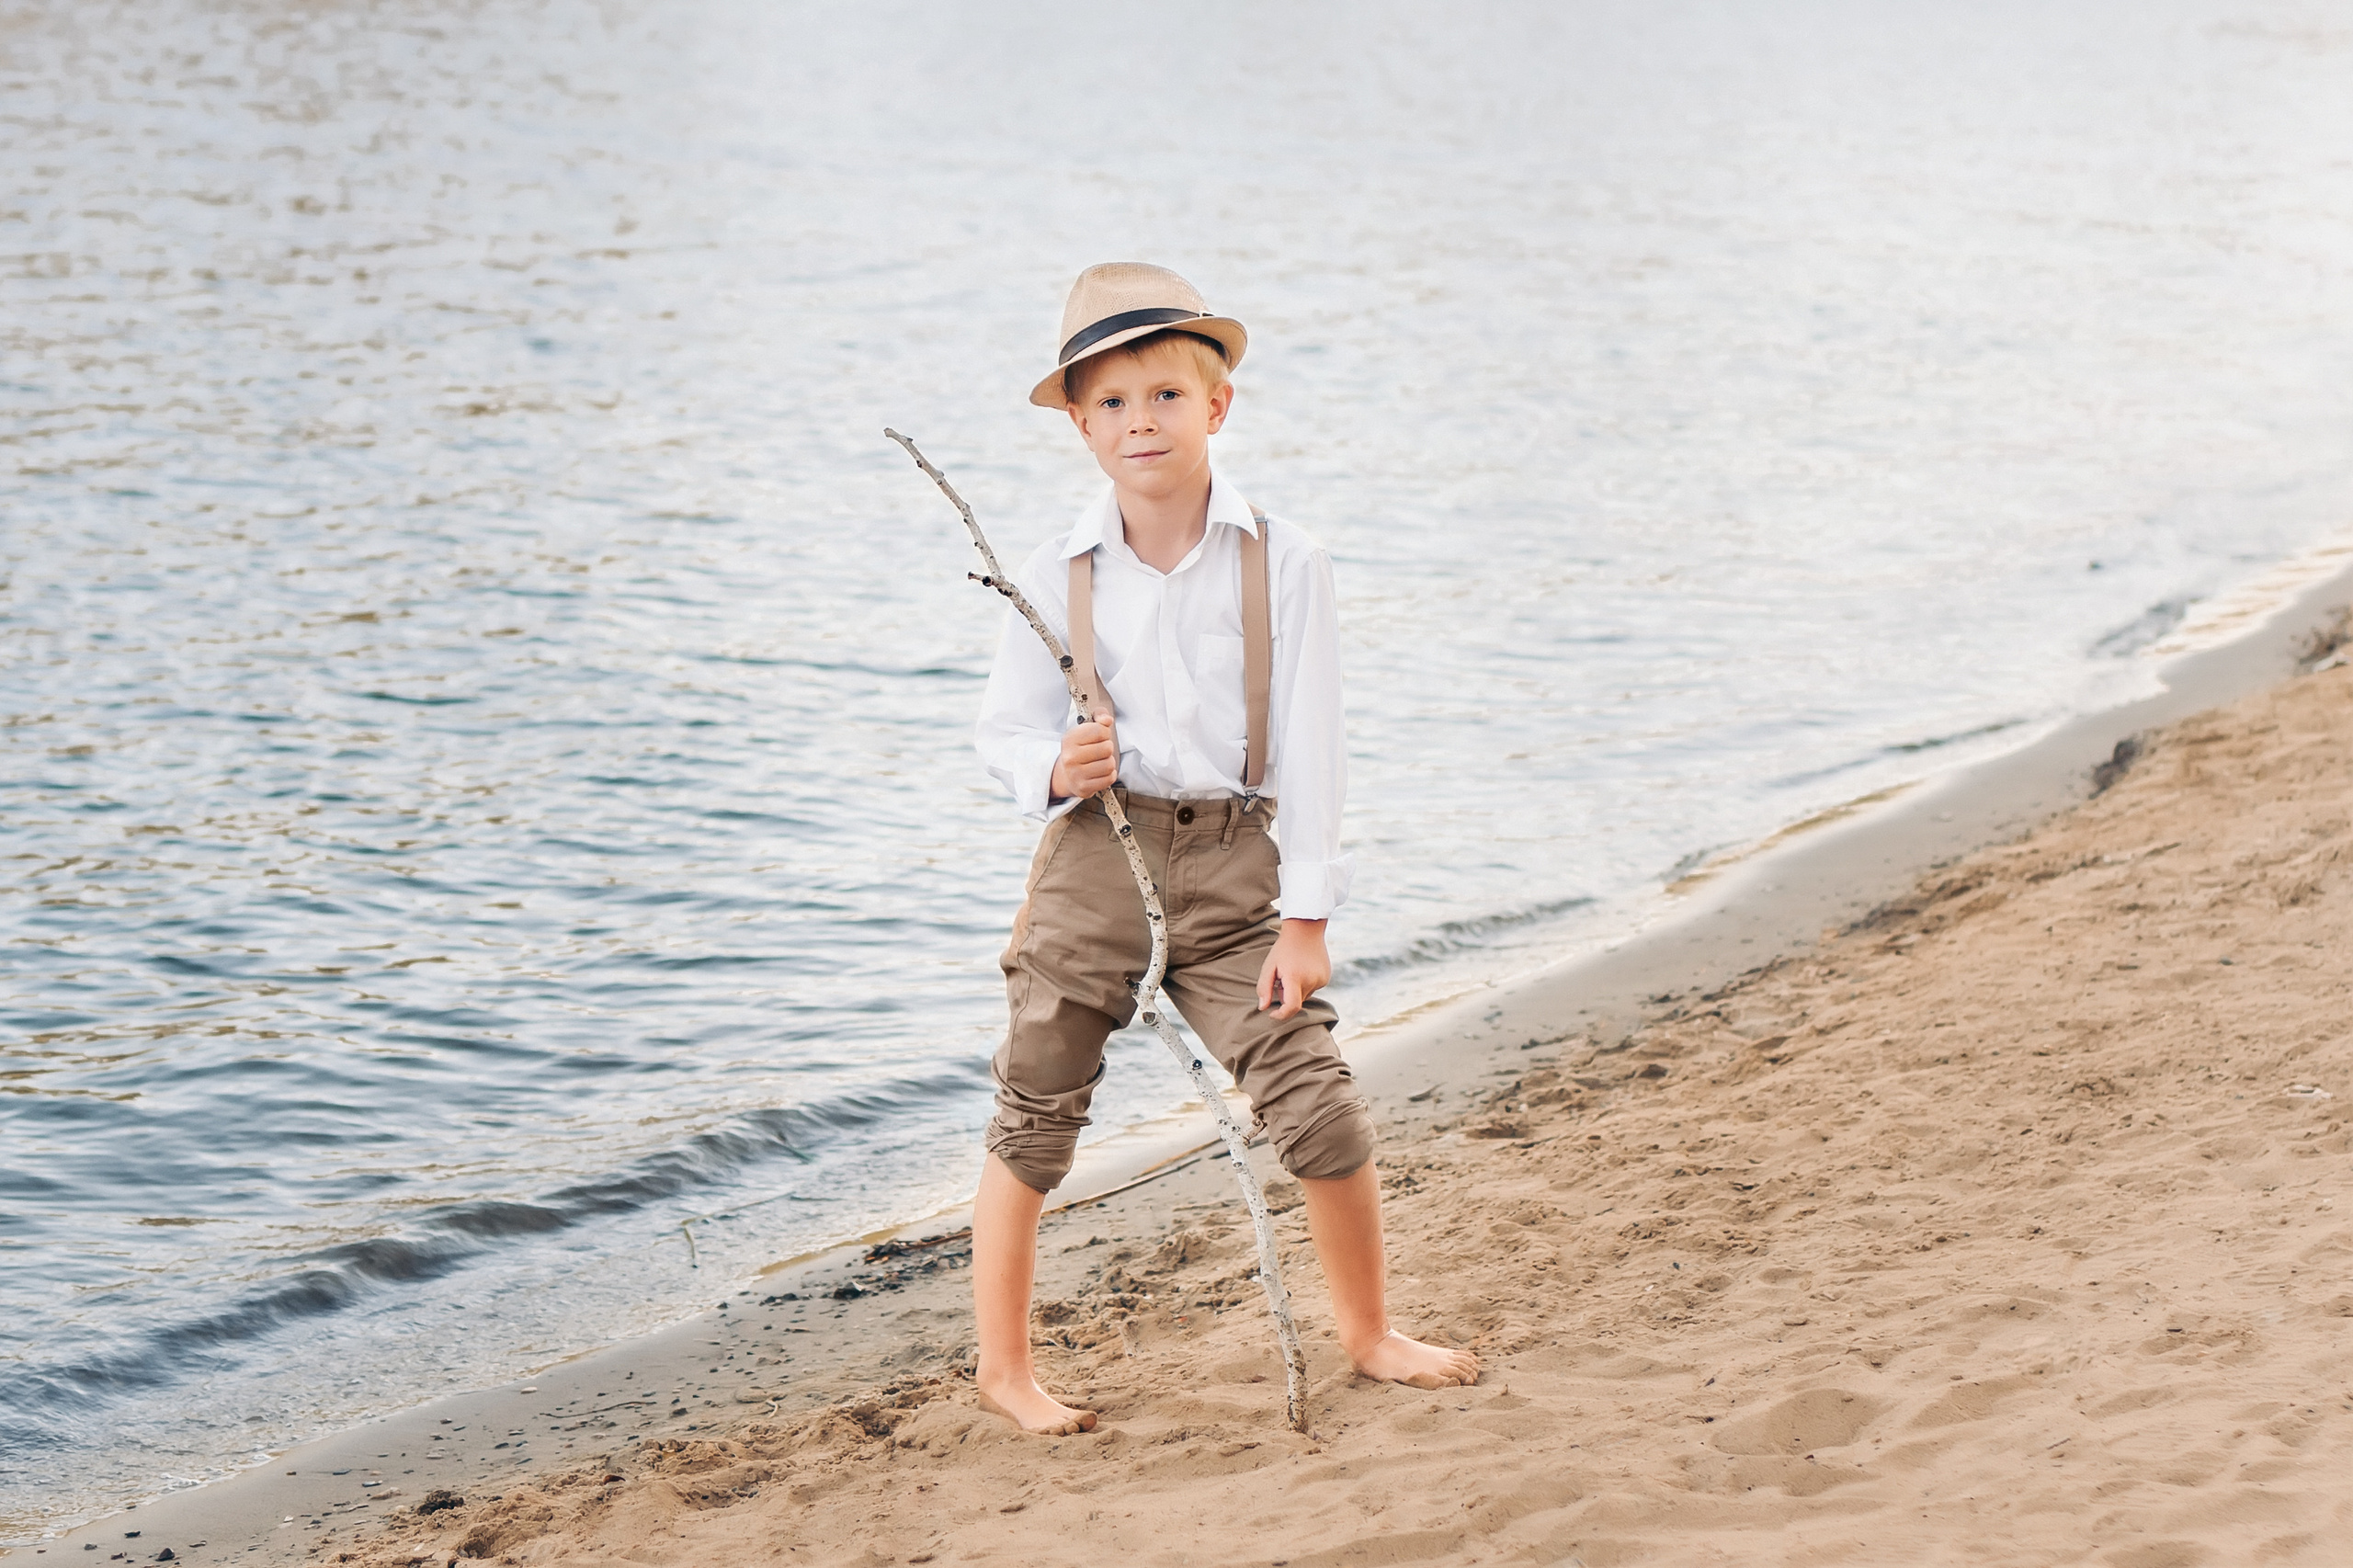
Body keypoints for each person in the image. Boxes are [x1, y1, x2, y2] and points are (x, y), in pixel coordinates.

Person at [970, 261, 1479, 1435]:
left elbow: (1312, 744)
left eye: (1161, 394)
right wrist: (1055, 768)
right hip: (1097, 859)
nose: (1137, 420)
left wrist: (1306, 918)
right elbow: (1001, 729)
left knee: (1314, 1099)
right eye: (1109, 402)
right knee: (1036, 1104)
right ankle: (1005, 1366)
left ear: (1217, 407)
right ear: (1081, 426)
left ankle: (1368, 1331)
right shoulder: (1057, 569)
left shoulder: (1284, 559)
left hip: (1240, 866)